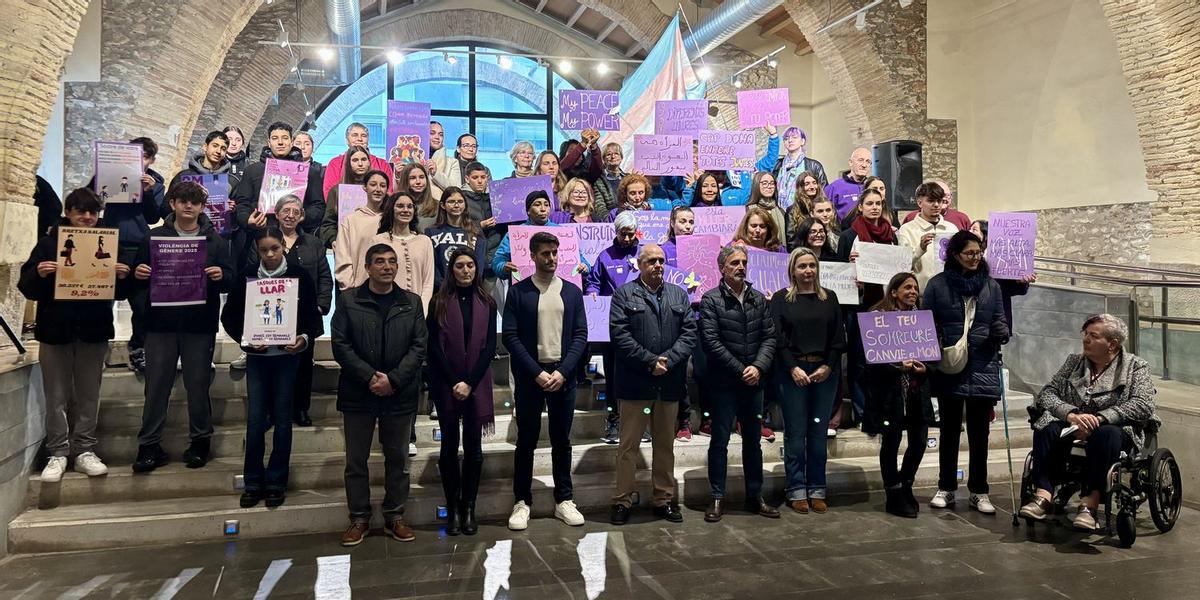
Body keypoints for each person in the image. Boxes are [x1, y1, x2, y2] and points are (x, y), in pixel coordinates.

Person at [19, 188, 130, 481]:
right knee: (55, 394)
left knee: (88, 394)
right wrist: (39, 273)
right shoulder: (48, 243)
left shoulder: (106, 242)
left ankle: (84, 449)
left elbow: (120, 292)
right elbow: (26, 285)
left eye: (92, 212)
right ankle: (57, 452)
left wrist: (121, 276)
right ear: (68, 212)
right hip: (55, 329)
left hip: (93, 329)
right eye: (80, 211)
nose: (87, 217)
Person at [1019, 314, 1159, 530]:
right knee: (1046, 426)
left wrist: (1101, 418)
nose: (1086, 339)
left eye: (1093, 336)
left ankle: (1090, 503)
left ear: (1112, 344)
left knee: (1106, 434)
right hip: (1074, 423)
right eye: (1085, 334)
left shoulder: (1135, 366)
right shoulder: (1074, 362)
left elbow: (1143, 404)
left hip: (1115, 429)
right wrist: (1071, 414)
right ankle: (1043, 494)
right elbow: (1047, 394)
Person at [130, 181, 233, 473]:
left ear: (202, 207)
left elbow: (232, 278)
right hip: (160, 324)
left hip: (198, 324)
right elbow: (135, 281)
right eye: (183, 201)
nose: (189, 206)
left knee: (198, 384)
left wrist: (220, 274)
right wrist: (139, 273)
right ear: (173, 204)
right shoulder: (153, 238)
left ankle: (200, 441)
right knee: (157, 385)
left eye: (195, 202)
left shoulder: (215, 242)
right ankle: (149, 444)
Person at [333, 244, 428, 546]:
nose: (387, 267)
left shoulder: (411, 303)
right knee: (356, 461)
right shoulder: (349, 301)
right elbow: (340, 344)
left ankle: (394, 516)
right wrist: (369, 376)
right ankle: (359, 518)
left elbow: (419, 346)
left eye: (391, 262)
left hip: (399, 394)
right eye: (379, 262)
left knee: (398, 458)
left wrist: (394, 380)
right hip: (358, 393)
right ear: (368, 266)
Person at [221, 227, 322, 508]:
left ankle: (277, 481)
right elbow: (229, 316)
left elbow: (312, 319)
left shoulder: (300, 276)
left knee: (282, 419)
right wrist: (246, 341)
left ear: (282, 247)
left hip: (287, 359)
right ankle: (253, 481)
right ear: (257, 249)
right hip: (258, 359)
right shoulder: (246, 276)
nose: (269, 255)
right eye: (263, 250)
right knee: (255, 422)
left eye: (274, 249)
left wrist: (303, 338)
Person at [502, 232, 590, 530]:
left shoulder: (572, 292)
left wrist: (563, 371)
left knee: (562, 441)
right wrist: (536, 373)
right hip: (531, 377)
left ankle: (564, 499)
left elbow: (580, 334)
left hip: (562, 376)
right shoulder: (519, 292)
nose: (551, 258)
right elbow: (511, 337)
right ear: (533, 256)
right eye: (545, 254)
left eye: (555, 253)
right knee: (526, 441)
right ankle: (522, 501)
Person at [608, 244, 697, 525]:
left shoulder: (678, 295)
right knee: (628, 448)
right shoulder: (624, 295)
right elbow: (619, 336)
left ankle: (663, 499)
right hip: (635, 384)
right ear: (640, 264)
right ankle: (622, 500)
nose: (658, 265)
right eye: (651, 261)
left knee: (664, 446)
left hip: (668, 384)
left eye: (661, 260)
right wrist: (650, 361)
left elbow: (689, 333)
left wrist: (668, 360)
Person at [924, 230, 1009, 515]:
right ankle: (946, 486)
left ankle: (979, 490)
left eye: (978, 252)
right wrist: (935, 346)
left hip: (983, 364)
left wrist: (1001, 331)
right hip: (950, 365)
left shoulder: (991, 286)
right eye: (969, 253)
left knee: (979, 433)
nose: (975, 258)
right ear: (955, 255)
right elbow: (928, 322)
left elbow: (999, 319)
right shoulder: (937, 286)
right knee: (949, 430)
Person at [698, 245, 779, 521]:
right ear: (722, 267)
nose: (740, 267)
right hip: (724, 383)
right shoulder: (711, 300)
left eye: (744, 262)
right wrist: (741, 368)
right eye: (734, 262)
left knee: (752, 442)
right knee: (720, 441)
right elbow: (710, 341)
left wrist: (757, 367)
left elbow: (769, 337)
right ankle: (718, 497)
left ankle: (755, 496)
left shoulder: (757, 298)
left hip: (754, 383)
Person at [428, 248, 497, 536]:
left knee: (474, 450)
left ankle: (469, 507)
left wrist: (469, 382)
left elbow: (489, 347)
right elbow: (434, 347)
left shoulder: (487, 302)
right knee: (448, 449)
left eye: (470, 265)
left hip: (476, 384)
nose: (466, 270)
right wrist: (455, 380)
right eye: (459, 266)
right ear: (451, 270)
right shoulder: (439, 302)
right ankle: (452, 508)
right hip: (447, 383)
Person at [771, 248, 846, 513]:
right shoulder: (781, 299)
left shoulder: (830, 298)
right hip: (794, 373)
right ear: (792, 270)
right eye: (802, 266)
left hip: (824, 372)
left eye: (811, 266)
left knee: (817, 433)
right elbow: (777, 340)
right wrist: (793, 368)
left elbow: (838, 339)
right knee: (795, 433)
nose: (807, 271)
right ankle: (796, 487)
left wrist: (828, 366)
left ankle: (817, 488)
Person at [864, 272, 933, 518]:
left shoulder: (922, 318)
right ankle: (893, 493)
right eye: (907, 287)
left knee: (919, 442)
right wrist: (897, 366)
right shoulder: (878, 318)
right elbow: (870, 359)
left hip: (916, 393)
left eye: (915, 288)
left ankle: (906, 484)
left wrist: (925, 368)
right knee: (891, 443)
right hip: (889, 394)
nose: (913, 291)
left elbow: (932, 354)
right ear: (893, 291)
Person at [95, 136, 166, 374]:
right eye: (135, 155)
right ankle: (97, 347)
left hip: (137, 246)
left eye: (145, 157)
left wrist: (147, 192)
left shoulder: (156, 182)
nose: (140, 160)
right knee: (101, 299)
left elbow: (153, 217)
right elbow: (91, 200)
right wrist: (101, 177)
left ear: (151, 160)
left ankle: (138, 348)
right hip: (108, 243)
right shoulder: (110, 172)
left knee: (143, 303)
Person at [266, 195, 333, 426]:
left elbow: (325, 277)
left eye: (296, 211)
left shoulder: (313, 244)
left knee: (304, 365)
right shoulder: (266, 240)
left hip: (305, 315)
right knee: (273, 364)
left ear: (302, 216)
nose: (291, 215)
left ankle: (300, 409)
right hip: (272, 314)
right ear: (277, 213)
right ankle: (272, 411)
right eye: (286, 210)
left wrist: (321, 305)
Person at [586, 212, 641, 444]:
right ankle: (614, 420)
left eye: (631, 234)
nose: (627, 239)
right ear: (615, 232)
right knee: (614, 375)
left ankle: (639, 423)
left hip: (640, 323)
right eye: (623, 234)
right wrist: (592, 293)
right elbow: (593, 281)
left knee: (638, 375)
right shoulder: (604, 256)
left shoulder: (644, 252)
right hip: (611, 324)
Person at [230, 121, 326, 238]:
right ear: (269, 143)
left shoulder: (309, 172)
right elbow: (242, 203)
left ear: (291, 142)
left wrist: (303, 216)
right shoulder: (252, 171)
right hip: (260, 235)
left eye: (285, 138)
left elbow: (318, 206)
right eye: (275, 138)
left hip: (298, 236)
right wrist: (247, 219)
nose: (280, 142)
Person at [370, 192, 435, 313]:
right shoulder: (378, 240)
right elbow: (373, 278)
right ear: (391, 209)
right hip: (386, 310)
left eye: (409, 206)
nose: (406, 210)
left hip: (417, 311)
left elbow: (428, 281)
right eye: (400, 206)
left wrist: (422, 310)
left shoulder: (424, 241)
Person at [969, 219, 1036, 329]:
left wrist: (1021, 282)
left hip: (994, 321)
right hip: (972, 318)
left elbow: (1012, 290)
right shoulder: (965, 258)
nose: (969, 231)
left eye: (974, 229)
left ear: (986, 235)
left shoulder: (1003, 258)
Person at [332, 170, 391, 288]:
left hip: (390, 290)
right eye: (373, 184)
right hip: (358, 290)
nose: (378, 189)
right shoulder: (351, 220)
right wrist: (349, 288)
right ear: (365, 187)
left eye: (383, 185)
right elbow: (343, 257)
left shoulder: (391, 220)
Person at [897, 182, 959, 291]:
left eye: (939, 201)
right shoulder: (907, 230)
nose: (936, 205)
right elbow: (902, 266)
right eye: (931, 201)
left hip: (950, 292)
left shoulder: (952, 229)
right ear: (920, 203)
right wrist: (920, 249)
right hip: (920, 293)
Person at [424, 186, 487, 291]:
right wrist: (443, 287)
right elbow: (431, 267)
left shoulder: (475, 232)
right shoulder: (431, 232)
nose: (456, 205)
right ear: (443, 205)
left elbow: (479, 266)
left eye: (460, 201)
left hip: (469, 290)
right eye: (451, 201)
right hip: (441, 291)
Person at [319, 146, 375, 244]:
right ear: (348, 164)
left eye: (364, 159)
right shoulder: (336, 191)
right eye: (355, 160)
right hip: (344, 246)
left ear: (369, 162)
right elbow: (328, 225)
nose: (360, 164)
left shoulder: (377, 190)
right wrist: (335, 240)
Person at [322, 122, 393, 196]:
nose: (359, 139)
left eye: (363, 136)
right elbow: (329, 193)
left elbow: (389, 192)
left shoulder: (383, 164)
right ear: (347, 140)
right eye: (355, 135)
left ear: (368, 140)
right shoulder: (335, 163)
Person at [720, 126, 779, 206]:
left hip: (752, 211)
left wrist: (773, 135)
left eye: (746, 145)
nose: (743, 149)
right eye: (738, 145)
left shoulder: (755, 169)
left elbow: (771, 159)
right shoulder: (723, 169)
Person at [462, 162, 502, 277]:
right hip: (471, 255)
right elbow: (458, 225)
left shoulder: (496, 198)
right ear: (467, 179)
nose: (480, 181)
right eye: (475, 178)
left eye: (483, 177)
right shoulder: (461, 198)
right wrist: (480, 225)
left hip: (494, 256)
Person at [773, 127, 829, 209]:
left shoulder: (814, 165)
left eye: (794, 137)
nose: (790, 140)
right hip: (779, 212)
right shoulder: (777, 164)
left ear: (802, 141)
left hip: (805, 212)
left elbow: (823, 192)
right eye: (786, 138)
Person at [824, 147, 872, 220]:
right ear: (850, 162)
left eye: (868, 162)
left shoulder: (872, 186)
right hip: (842, 230)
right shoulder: (834, 187)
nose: (864, 165)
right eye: (860, 160)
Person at [903, 180, 971, 230]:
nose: (944, 199)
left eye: (947, 195)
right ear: (919, 202)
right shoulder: (910, 220)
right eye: (932, 199)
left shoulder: (960, 220)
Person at [784, 170, 826, 243]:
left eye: (814, 183)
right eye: (807, 184)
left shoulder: (825, 206)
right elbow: (791, 239)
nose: (812, 187)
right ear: (801, 187)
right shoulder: (792, 210)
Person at [400, 162, 438, 233]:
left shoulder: (437, 206)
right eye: (412, 178)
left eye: (421, 177)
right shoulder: (396, 206)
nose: (418, 181)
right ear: (405, 181)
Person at [745, 171, 786, 237]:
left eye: (772, 183)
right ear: (757, 185)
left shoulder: (781, 212)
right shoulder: (747, 211)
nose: (769, 186)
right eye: (764, 183)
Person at [426, 121, 458, 197]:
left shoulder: (452, 162)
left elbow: (456, 190)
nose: (437, 137)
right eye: (432, 133)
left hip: (441, 206)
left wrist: (436, 173)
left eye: (441, 134)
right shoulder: (413, 159)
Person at [594, 142, 626, 215]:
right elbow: (599, 207)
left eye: (616, 153)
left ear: (621, 158)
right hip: (610, 221)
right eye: (608, 154)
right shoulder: (598, 181)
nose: (613, 156)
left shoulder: (628, 178)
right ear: (604, 159)